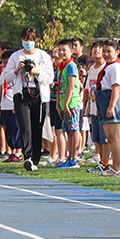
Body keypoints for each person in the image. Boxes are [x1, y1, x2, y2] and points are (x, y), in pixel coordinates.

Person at [1, 27, 54, 171]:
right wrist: (17, 70)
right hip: (22, 95)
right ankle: (28, 157)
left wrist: (37, 72)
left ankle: (35, 158)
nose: (28, 42)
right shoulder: (15, 56)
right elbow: (7, 77)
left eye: (31, 40)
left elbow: (50, 78)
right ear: (21, 40)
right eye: (25, 39)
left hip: (39, 95)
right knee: (25, 128)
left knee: (37, 128)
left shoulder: (43, 56)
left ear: (36, 40)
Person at [97, 39, 120, 177]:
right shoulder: (108, 66)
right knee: (110, 137)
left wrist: (111, 106)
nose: (106, 54)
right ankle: (114, 167)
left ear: (117, 52)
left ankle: (116, 168)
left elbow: (116, 87)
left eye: (109, 51)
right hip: (104, 99)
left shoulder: (115, 67)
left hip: (111, 100)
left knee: (114, 137)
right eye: (104, 51)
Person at [54, 39, 82, 168]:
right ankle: (70, 157)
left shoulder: (71, 65)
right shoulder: (61, 67)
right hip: (63, 103)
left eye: (64, 50)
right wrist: (58, 104)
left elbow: (71, 86)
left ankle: (75, 157)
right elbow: (60, 86)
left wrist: (66, 103)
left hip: (72, 103)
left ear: (72, 51)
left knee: (74, 129)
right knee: (69, 131)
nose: (61, 52)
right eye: (59, 50)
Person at [84, 41, 108, 172]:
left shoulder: (105, 67)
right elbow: (88, 90)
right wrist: (87, 107)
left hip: (103, 107)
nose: (96, 50)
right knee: (97, 137)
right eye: (94, 48)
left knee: (104, 138)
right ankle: (99, 159)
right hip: (93, 107)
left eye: (100, 48)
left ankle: (105, 161)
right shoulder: (92, 68)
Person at [0, 50, 22, 162]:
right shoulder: (4, 73)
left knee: (16, 128)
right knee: (8, 129)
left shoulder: (18, 72)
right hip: (5, 105)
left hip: (14, 104)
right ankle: (11, 151)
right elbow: (0, 89)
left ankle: (18, 152)